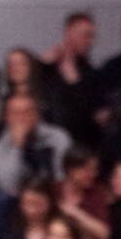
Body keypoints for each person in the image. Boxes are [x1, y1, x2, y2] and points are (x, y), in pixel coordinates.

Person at [39, 11, 105, 146]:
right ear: (70, 33)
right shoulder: (46, 68)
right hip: (49, 144)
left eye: (92, 36)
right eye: (86, 35)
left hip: (82, 146)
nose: (91, 42)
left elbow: (97, 116)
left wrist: (74, 81)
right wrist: (39, 65)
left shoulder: (93, 75)